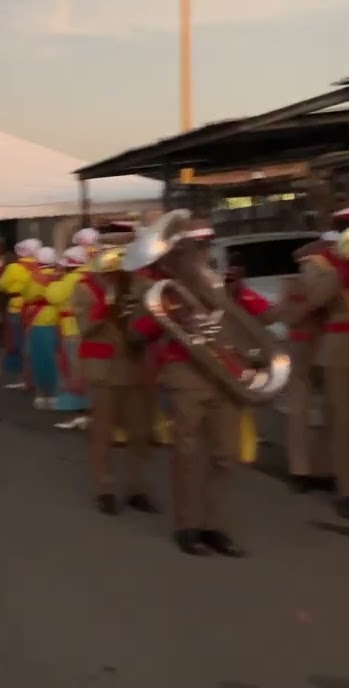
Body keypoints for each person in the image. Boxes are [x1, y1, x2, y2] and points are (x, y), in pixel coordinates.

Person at [127, 213, 274, 555]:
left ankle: (214, 526)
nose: (202, 251)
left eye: (206, 243)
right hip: (185, 373)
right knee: (187, 452)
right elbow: (135, 333)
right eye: (195, 245)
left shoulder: (224, 283)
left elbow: (266, 316)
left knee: (226, 455)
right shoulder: (159, 288)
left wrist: (239, 294)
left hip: (227, 371)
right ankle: (187, 526)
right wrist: (166, 315)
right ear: (177, 249)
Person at [298, 201, 349, 519]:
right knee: (344, 424)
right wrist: (342, 271)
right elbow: (315, 300)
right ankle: (348, 492)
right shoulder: (319, 262)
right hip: (340, 347)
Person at [71, 228, 156, 515]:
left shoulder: (141, 285)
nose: (117, 259)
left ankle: (137, 487)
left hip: (135, 365)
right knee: (103, 431)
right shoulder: (85, 287)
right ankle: (105, 487)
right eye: (111, 252)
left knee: (141, 431)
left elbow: (153, 320)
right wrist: (107, 301)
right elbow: (85, 328)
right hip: (104, 368)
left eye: (124, 253)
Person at [277, 232, 335, 493]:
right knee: (306, 410)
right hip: (308, 348)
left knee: (325, 410)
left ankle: (318, 468)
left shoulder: (335, 279)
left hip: (325, 347)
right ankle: (305, 469)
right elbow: (289, 315)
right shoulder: (297, 283)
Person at [49, 246, 91, 420]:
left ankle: (80, 409)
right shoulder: (89, 276)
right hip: (85, 326)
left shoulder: (71, 278)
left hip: (72, 328)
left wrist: (56, 280)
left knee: (74, 368)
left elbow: (53, 296)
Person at [0, 239, 42, 389]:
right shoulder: (40, 266)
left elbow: (1, 285)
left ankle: (24, 378)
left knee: (19, 343)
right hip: (36, 309)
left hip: (16, 308)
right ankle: (37, 377)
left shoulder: (14, 267)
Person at [23, 247, 61, 409]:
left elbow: (27, 295)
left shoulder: (33, 277)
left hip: (37, 320)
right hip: (58, 319)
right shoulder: (60, 276)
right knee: (56, 359)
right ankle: (55, 394)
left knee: (38, 359)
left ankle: (41, 395)